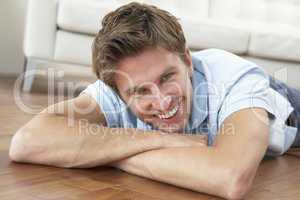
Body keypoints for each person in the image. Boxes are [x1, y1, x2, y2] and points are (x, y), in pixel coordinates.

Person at [9, 2, 300, 199]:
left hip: (287, 106)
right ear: (119, 91)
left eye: (166, 77)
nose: (161, 102)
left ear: (187, 59)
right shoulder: (116, 84)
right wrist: (167, 141)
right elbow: (26, 143)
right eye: (140, 91)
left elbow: (230, 177)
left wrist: (105, 152)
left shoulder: (234, 79)